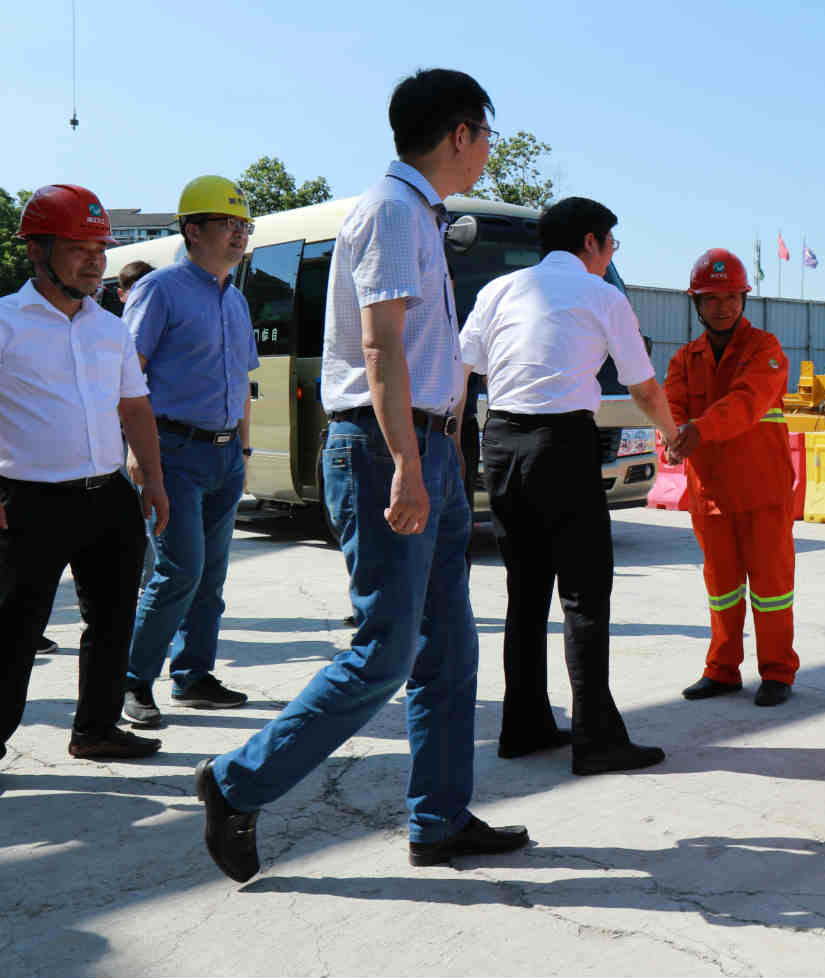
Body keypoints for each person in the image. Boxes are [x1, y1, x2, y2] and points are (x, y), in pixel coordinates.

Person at [195, 68, 525, 883]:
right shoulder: (387, 211)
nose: (487, 149)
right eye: (484, 133)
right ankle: (236, 783)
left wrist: (436, 455)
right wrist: (409, 467)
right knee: (384, 652)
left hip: (430, 448)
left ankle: (439, 818)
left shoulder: (421, 215)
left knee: (449, 651)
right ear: (457, 135)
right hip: (389, 448)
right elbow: (380, 350)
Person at [461, 196, 677, 774]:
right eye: (610, 244)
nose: (610, 256)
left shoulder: (498, 291)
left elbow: (466, 367)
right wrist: (673, 435)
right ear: (590, 243)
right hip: (562, 448)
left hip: (501, 445)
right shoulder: (602, 295)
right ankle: (597, 739)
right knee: (584, 596)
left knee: (524, 595)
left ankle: (524, 726)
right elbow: (642, 386)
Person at [0, 184, 169, 762]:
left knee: (113, 618)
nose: (97, 260)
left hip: (108, 498)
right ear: (38, 252)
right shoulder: (5, 323)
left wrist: (153, 479)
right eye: (80, 248)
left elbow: (135, 407)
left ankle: (96, 730)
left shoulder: (110, 327)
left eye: (101, 248)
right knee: (14, 632)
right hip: (27, 501)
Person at [121, 176, 258, 729]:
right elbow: (127, 375)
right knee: (179, 570)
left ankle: (194, 674)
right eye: (229, 225)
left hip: (225, 455)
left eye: (244, 226)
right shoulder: (162, 289)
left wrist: (244, 450)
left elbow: (244, 382)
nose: (239, 236)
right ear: (193, 230)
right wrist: (138, 453)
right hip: (172, 450)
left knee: (212, 575)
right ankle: (131, 681)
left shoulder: (236, 298)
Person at [664, 248, 799, 707]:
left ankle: (778, 671)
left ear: (743, 298)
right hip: (712, 495)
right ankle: (722, 670)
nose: (723, 307)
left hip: (763, 491)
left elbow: (747, 402)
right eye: (712, 298)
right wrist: (672, 431)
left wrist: (694, 430)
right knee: (721, 589)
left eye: (731, 297)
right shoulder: (685, 359)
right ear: (696, 304)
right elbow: (672, 405)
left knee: (772, 588)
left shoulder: (766, 350)